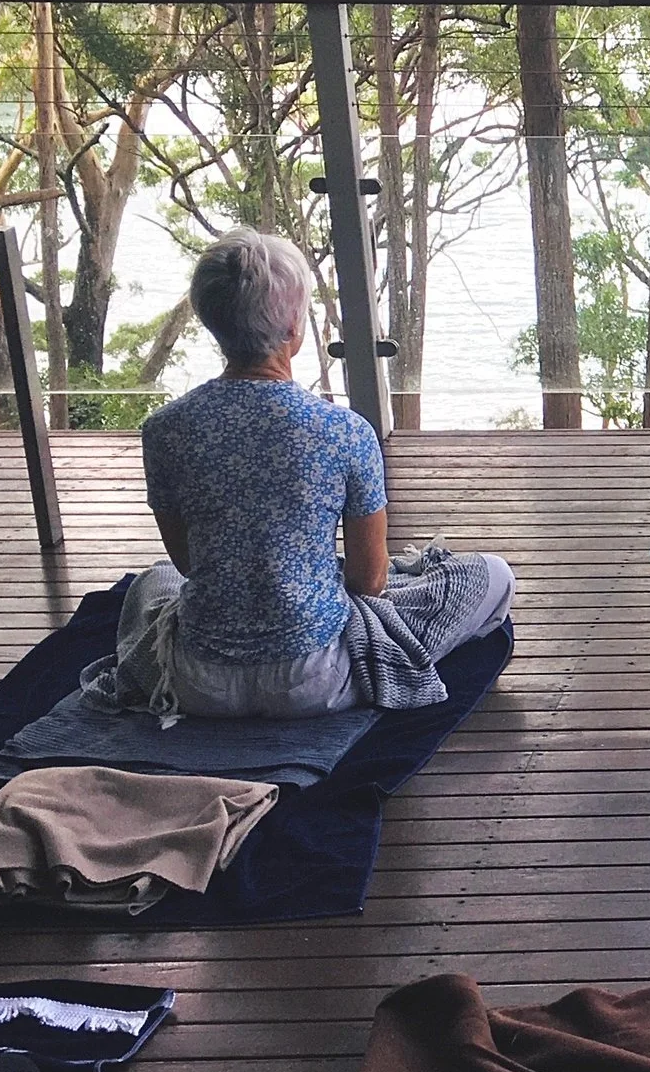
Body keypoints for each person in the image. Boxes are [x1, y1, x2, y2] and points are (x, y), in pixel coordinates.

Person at [125, 229, 514, 718]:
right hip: (316, 680)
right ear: (293, 327)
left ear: (211, 319)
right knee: (492, 575)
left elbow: (186, 564)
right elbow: (369, 581)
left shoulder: (164, 430)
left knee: (152, 583)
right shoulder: (345, 432)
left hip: (197, 684)